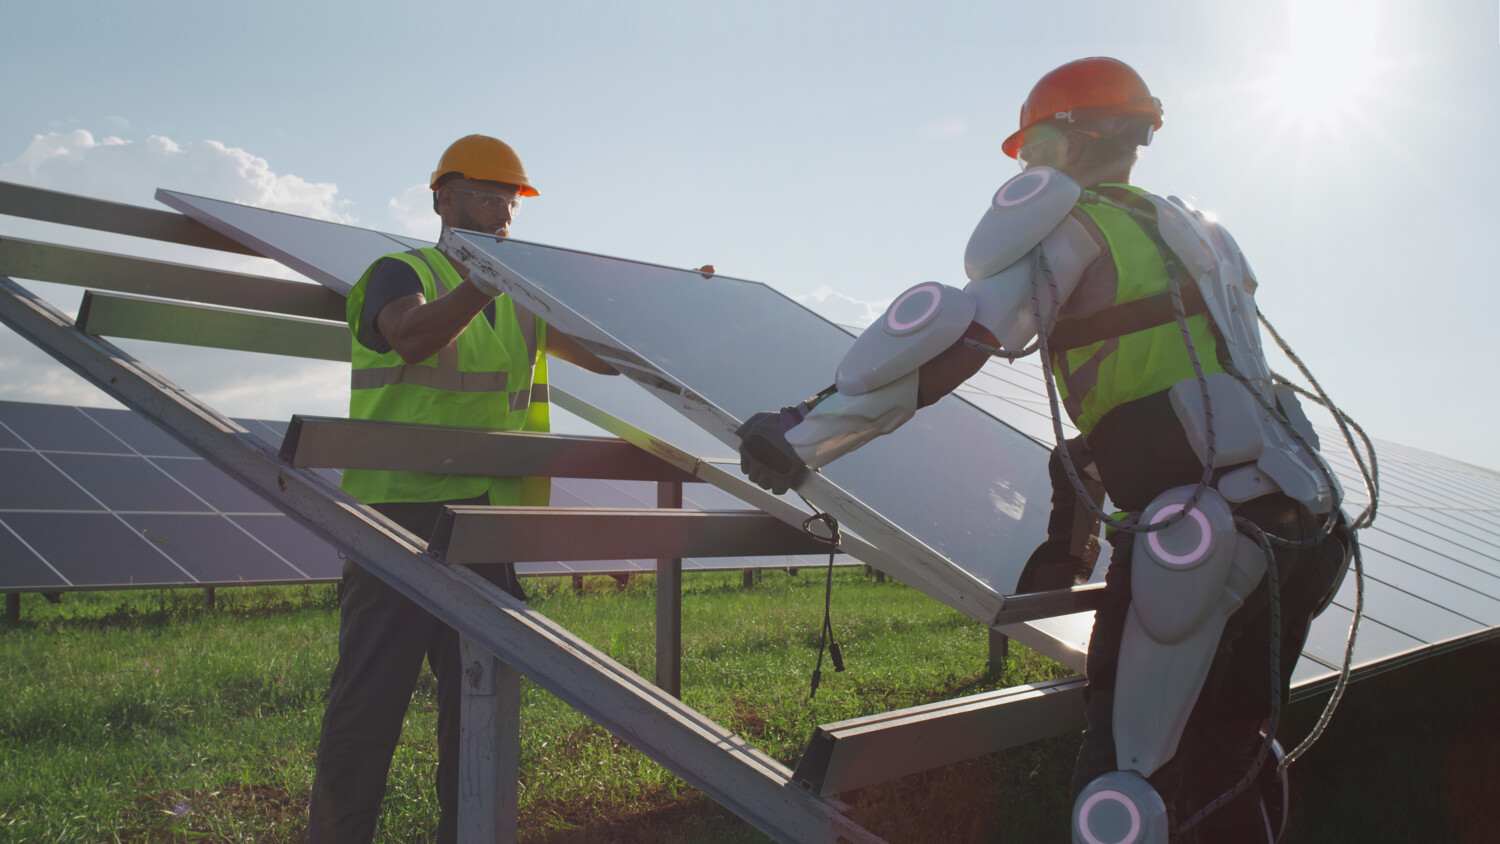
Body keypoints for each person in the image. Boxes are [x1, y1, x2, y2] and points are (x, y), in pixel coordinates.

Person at [736, 58, 1351, 843]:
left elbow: (949, 336)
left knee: (1129, 787)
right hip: (1303, 528)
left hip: (1201, 535)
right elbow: (1159, 391)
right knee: (1233, 748)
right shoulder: (1191, 234)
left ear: (1069, 141)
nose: (1029, 166)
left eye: (1034, 147)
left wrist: (800, 435)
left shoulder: (1074, 229)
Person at [308, 134, 615, 844]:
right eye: (484, 195)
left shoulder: (523, 297)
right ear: (441, 196)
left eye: (509, 201)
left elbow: (602, 359)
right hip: (400, 515)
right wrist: (484, 281)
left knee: (483, 695)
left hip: (485, 518)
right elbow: (409, 337)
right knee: (369, 704)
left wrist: (647, 313)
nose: (500, 213)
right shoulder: (397, 271)